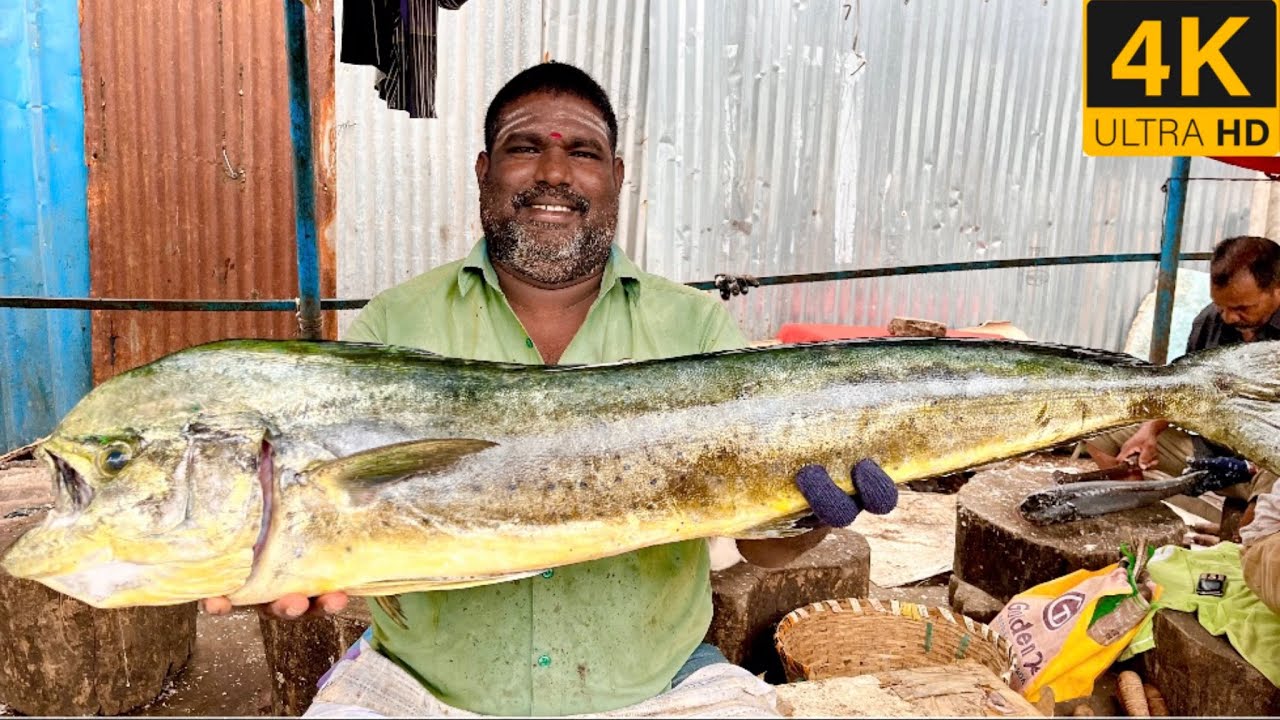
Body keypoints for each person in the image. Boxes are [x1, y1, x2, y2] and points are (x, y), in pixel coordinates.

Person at [202, 62, 897, 717]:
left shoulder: (696, 328)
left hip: (656, 689)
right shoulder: (394, 324)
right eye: (524, 147)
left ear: (617, 176)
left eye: (584, 154)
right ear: (485, 170)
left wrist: (813, 517)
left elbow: (760, 546)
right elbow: (345, 513)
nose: (554, 173)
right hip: (421, 687)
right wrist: (286, 549)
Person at [1088, 235, 1280, 533]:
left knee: (1260, 523)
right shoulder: (1211, 321)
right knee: (1097, 426)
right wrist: (1149, 432)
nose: (1229, 317)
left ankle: (1243, 549)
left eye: (1242, 308)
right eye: (1222, 307)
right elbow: (1184, 390)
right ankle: (1138, 514)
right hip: (1212, 454)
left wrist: (1253, 466)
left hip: (1272, 464)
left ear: (1276, 289)